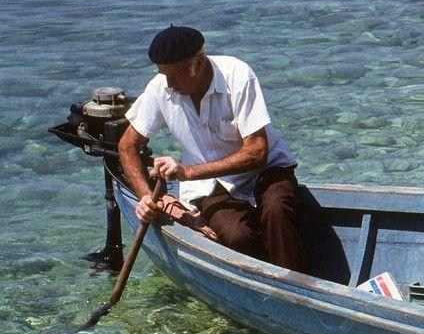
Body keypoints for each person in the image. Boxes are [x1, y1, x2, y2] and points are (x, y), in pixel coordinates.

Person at [118, 26, 308, 272]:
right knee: (237, 236)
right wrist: (145, 197)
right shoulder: (160, 88)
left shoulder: (237, 75)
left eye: (175, 75)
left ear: (199, 60)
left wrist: (187, 173)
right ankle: (262, 288)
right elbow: (127, 146)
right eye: (164, 75)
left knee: (277, 212)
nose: (170, 84)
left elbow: (257, 152)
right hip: (211, 185)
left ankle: (297, 288)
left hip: (268, 169)